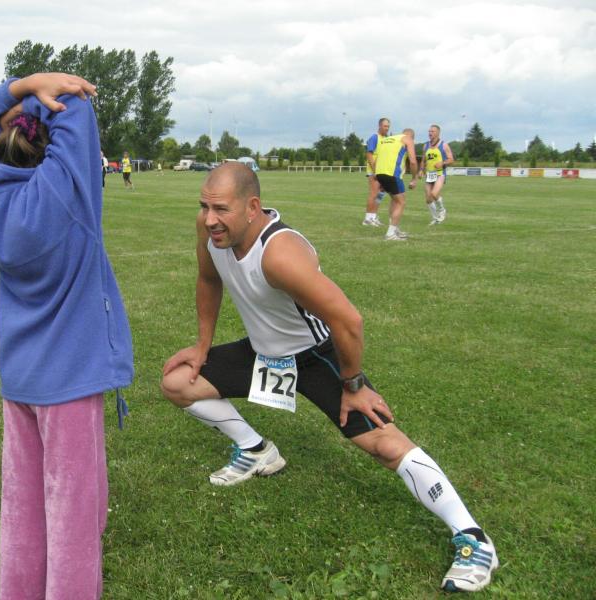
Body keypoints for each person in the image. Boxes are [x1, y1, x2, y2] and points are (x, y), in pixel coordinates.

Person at [160, 163, 498, 593]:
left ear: (252, 207)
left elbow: (348, 320)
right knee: (178, 382)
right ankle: (257, 451)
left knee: (383, 443)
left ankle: (473, 538)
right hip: (264, 353)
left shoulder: (280, 254)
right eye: (204, 206)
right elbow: (209, 279)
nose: (210, 219)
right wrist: (202, 345)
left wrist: (353, 386)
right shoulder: (212, 232)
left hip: (316, 356)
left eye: (221, 209)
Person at [0, 72, 134, 600]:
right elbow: (78, 110)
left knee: (21, 511)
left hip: (19, 381)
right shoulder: (66, 193)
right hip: (69, 382)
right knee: (72, 524)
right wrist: (45, 93)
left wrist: (26, 87)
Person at [374, 128, 418, 241]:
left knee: (395, 200)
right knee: (401, 202)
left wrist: (377, 175)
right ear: (412, 137)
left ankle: (395, 229)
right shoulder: (408, 139)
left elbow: (377, 157)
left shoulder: (387, 139)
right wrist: (414, 178)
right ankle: (390, 234)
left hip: (380, 172)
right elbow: (413, 161)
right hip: (392, 173)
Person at [419, 124, 454, 225]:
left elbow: (451, 159)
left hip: (440, 173)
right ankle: (435, 218)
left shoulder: (444, 145)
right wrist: (421, 170)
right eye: (429, 131)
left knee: (434, 194)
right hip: (429, 174)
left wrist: (442, 163)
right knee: (428, 199)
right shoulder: (425, 146)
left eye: (432, 131)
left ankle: (442, 210)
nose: (430, 133)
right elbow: (423, 160)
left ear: (438, 133)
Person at [362, 118, 389, 227]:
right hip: (374, 172)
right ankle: (367, 219)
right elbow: (369, 155)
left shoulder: (386, 139)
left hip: (382, 171)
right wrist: (374, 170)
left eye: (388, 126)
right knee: (373, 194)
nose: (387, 128)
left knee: (380, 195)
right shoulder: (374, 138)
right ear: (379, 126)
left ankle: (373, 217)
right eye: (385, 126)